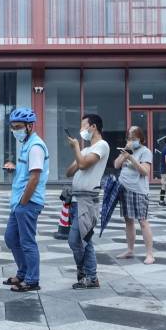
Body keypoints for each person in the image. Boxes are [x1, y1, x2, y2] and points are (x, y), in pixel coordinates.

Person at [2, 107, 49, 292]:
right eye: (12, 127)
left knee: (27, 242)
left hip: (28, 203)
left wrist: (23, 202)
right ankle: (23, 272)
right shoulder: (26, 145)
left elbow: (35, 177)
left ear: (29, 126)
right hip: (19, 202)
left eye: (18, 126)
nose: (15, 130)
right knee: (11, 238)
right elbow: (29, 171)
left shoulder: (35, 146)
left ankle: (32, 280)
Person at [65, 114, 110, 290]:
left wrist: (77, 148)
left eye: (83, 126)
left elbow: (83, 165)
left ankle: (91, 276)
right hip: (76, 200)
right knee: (76, 240)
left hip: (87, 201)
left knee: (82, 239)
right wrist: (78, 152)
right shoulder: (85, 150)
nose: (81, 130)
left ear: (93, 127)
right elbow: (70, 171)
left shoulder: (102, 146)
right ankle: (84, 272)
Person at [114, 126, 156, 265]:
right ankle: (130, 250)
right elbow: (116, 165)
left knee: (143, 221)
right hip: (124, 189)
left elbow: (145, 171)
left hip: (138, 190)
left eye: (134, 139)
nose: (131, 141)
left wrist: (131, 158)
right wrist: (124, 153)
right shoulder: (126, 150)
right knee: (128, 220)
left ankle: (150, 254)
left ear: (140, 139)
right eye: (129, 138)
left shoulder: (145, 152)